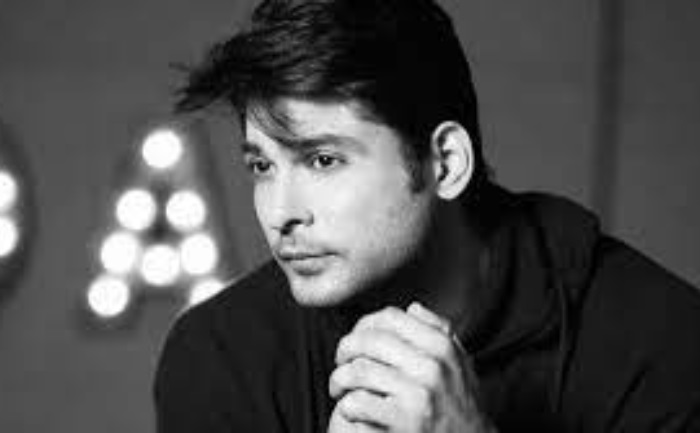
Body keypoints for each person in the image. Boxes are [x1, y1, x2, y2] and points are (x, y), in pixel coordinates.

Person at [153, 0, 700, 431]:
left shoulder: (658, 341)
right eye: (261, 166)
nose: (280, 214)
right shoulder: (220, 356)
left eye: (323, 160)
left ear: (446, 163)